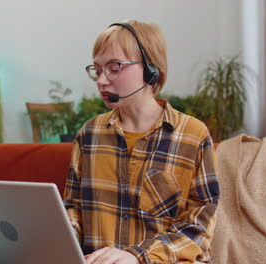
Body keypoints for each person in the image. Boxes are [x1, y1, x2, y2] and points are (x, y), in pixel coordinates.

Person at [63, 20, 220, 264]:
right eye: (97, 70)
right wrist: (60, 238)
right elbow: (73, 209)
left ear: (151, 70)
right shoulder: (89, 134)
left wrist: (137, 257)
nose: (102, 81)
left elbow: (198, 227)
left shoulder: (193, 135)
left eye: (114, 68)